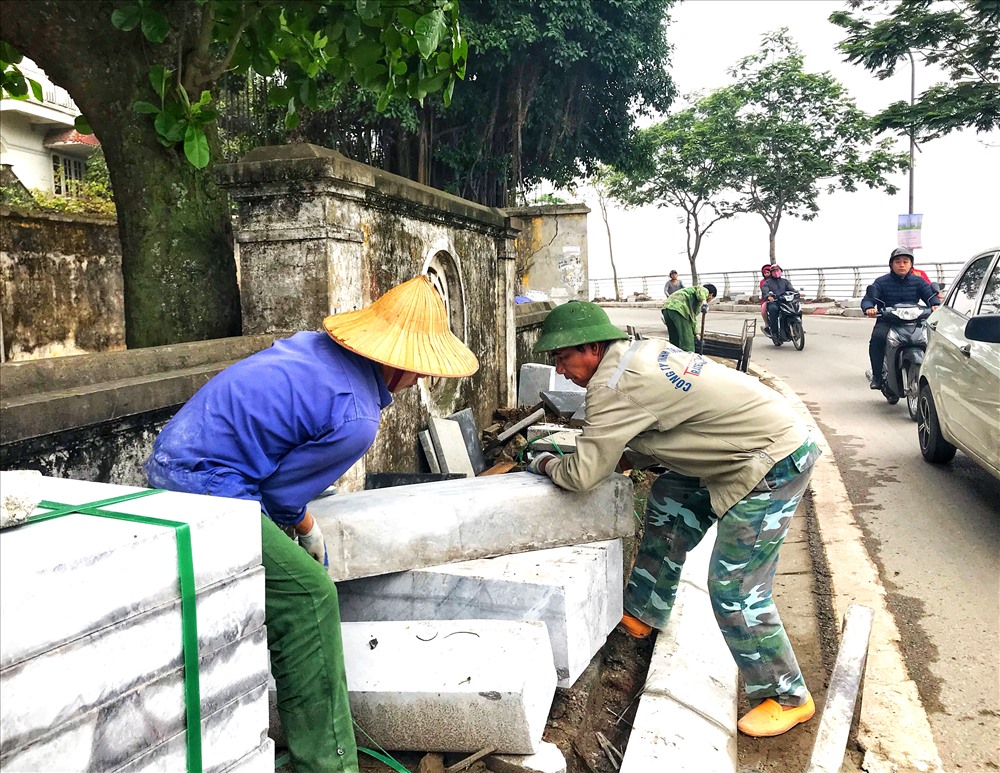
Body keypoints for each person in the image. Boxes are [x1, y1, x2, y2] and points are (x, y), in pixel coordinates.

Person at [144, 276, 479, 772]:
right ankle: (327, 764)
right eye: (419, 370)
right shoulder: (357, 417)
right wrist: (305, 527)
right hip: (205, 487)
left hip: (173, 457)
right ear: (398, 363)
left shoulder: (314, 348)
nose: (419, 381)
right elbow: (280, 495)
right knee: (311, 597)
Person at [526, 301, 821, 738]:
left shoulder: (612, 385)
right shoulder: (637, 355)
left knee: (735, 585)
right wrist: (611, 456)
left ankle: (786, 695)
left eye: (562, 358)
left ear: (590, 348)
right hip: (739, 447)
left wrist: (546, 463)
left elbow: (582, 476)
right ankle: (646, 609)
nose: (560, 369)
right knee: (669, 497)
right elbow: (661, 429)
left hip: (772, 461)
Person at [861, 247, 939, 390]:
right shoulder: (881, 282)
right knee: (877, 340)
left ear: (911, 264)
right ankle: (877, 377)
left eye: (905, 261)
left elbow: (930, 296)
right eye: (897, 262)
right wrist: (869, 308)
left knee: (930, 340)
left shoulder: (918, 282)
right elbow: (868, 299)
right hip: (888, 321)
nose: (901, 265)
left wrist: (935, 305)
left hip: (914, 321)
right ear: (891, 264)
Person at [660, 283, 717, 352]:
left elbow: (693, 319)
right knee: (687, 341)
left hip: (667, 309)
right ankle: (688, 358)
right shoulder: (701, 290)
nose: (709, 300)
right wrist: (704, 303)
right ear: (710, 295)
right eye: (711, 299)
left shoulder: (694, 301)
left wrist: (697, 334)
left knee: (675, 339)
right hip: (679, 308)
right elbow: (702, 291)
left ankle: (673, 358)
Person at [760, 265, 798, 345]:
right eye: (774, 271)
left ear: (781, 271)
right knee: (773, 310)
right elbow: (765, 291)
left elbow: (791, 289)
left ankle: (796, 327)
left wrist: (796, 293)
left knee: (796, 308)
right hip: (774, 302)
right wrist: (769, 296)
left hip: (784, 301)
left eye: (777, 270)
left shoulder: (785, 281)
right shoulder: (767, 282)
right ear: (771, 273)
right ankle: (775, 334)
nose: (776, 272)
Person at [759, 264, 772, 333]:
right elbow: (764, 290)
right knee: (763, 309)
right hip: (766, 299)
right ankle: (767, 324)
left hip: (778, 298)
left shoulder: (775, 280)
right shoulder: (762, 282)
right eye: (765, 273)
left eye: (768, 272)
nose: (766, 274)